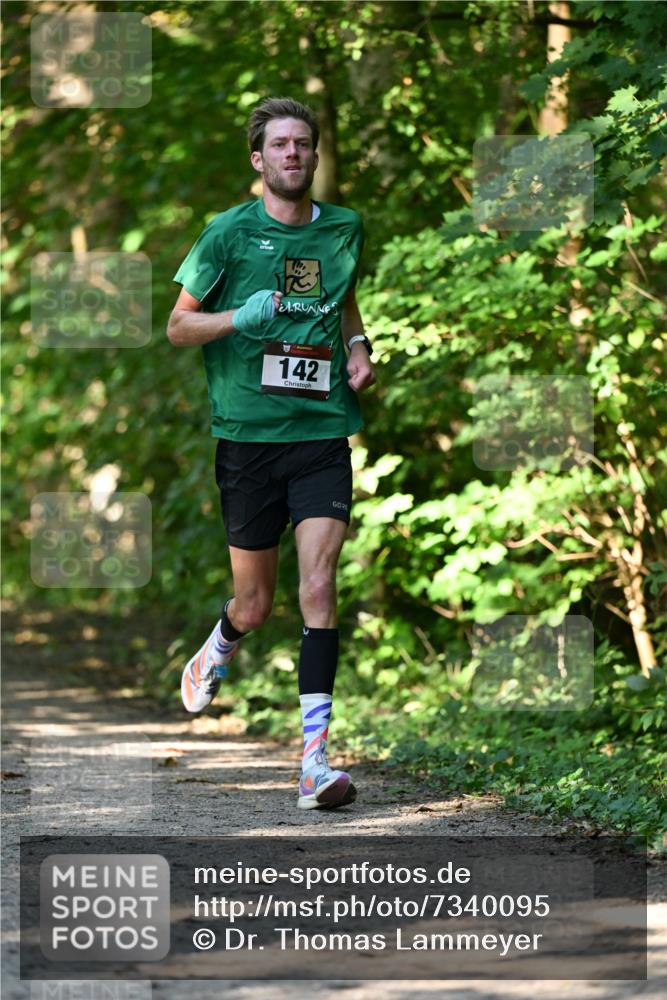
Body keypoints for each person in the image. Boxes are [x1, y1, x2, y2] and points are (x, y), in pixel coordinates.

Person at [167, 97, 375, 810]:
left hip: (319, 432)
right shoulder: (226, 234)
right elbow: (177, 327)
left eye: (303, 144)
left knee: (319, 587)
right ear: (258, 160)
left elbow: (343, 303)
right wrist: (238, 317)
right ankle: (219, 644)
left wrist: (356, 348)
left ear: (314, 156)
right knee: (255, 606)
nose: (293, 154)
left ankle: (314, 764)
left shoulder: (344, 229)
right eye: (279, 145)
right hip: (248, 440)